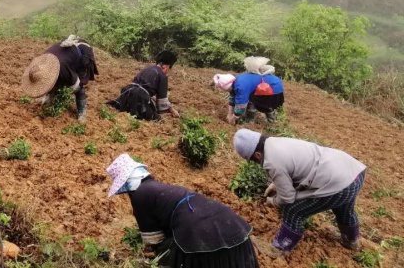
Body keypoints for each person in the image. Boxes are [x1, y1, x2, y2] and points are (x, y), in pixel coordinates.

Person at [106, 153, 258, 268]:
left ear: (126, 186)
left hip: (201, 235)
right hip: (231, 224)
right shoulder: (159, 188)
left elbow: (155, 241)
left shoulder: (140, 196)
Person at [232, 129, 367, 258]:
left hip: (339, 184)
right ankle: (351, 241)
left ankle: (280, 247)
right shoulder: (274, 141)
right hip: (352, 172)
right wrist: (277, 183)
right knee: (343, 209)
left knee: (293, 210)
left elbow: (287, 198)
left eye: (253, 160)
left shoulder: (271, 162)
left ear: (257, 155)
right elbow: (295, 166)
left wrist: (272, 201)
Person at [21, 35, 98, 122]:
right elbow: (49, 82)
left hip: (83, 54)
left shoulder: (63, 67)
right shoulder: (42, 62)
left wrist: (61, 94)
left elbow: (75, 84)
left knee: (79, 87)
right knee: (58, 83)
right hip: (67, 55)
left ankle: (82, 113)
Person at [106, 50, 180, 120]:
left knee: (122, 108)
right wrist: (172, 110)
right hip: (139, 97)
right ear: (166, 67)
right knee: (156, 119)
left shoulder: (147, 68)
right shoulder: (162, 76)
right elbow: (162, 102)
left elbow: (142, 87)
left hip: (127, 92)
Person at [213, 65, 285, 125]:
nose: (228, 91)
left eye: (227, 89)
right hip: (263, 87)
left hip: (273, 88)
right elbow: (232, 97)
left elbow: (241, 106)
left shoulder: (240, 85)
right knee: (253, 100)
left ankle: (268, 122)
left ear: (229, 86)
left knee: (262, 104)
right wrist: (229, 114)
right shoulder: (234, 81)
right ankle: (252, 121)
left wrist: (233, 118)